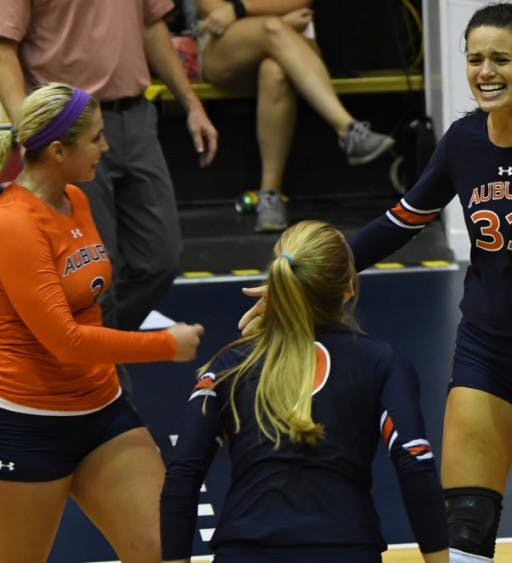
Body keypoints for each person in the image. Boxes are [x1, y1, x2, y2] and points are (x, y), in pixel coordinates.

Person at [237, 3, 512, 561]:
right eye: (475, 59)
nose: (485, 72)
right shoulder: (463, 141)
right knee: (464, 533)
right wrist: (298, 281)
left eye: (501, 59)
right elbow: (398, 223)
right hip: (487, 354)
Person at [160, 220, 449, 563]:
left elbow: (183, 474)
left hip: (247, 551)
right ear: (349, 289)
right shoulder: (384, 363)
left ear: (277, 283)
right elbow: (415, 464)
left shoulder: (229, 366)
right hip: (345, 550)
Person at [0, 83, 205, 562]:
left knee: (163, 549)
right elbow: (65, 342)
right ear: (57, 150)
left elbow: (89, 303)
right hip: (30, 424)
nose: (106, 147)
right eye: (95, 139)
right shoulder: (14, 224)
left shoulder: (77, 198)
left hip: (102, 411)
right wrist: (163, 346)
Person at [0, 0, 218, 336]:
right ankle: (99, 370)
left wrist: (191, 103)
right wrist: (31, 130)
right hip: (67, 129)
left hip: (135, 114)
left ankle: (84, 353)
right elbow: (4, 47)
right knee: (94, 274)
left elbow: (151, 24)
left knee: (161, 259)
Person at [195, 0, 396, 232]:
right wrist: (272, 17)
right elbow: (213, 12)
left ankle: (270, 196)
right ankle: (347, 128)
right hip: (228, 48)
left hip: (292, 43)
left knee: (275, 71)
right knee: (272, 29)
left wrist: (241, 10)